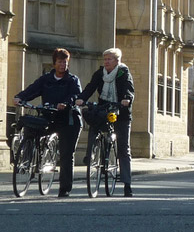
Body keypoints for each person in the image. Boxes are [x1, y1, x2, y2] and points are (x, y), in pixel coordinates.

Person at [13, 48, 82, 198]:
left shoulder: (72, 80)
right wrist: (20, 97)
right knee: (31, 130)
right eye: (60, 62)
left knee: (66, 154)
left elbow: (75, 95)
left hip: (68, 120)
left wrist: (65, 103)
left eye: (65, 62)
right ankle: (31, 162)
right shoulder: (46, 79)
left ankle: (64, 189)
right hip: (49, 116)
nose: (63, 65)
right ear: (54, 63)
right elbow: (32, 90)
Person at [76, 48, 135, 197]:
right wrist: (82, 98)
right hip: (104, 109)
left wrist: (127, 99)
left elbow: (129, 89)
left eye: (109, 59)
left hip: (120, 112)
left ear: (117, 61)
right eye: (105, 59)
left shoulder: (123, 73)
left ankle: (127, 184)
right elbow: (90, 87)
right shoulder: (100, 73)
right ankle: (91, 155)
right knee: (94, 128)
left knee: (123, 148)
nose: (106, 62)